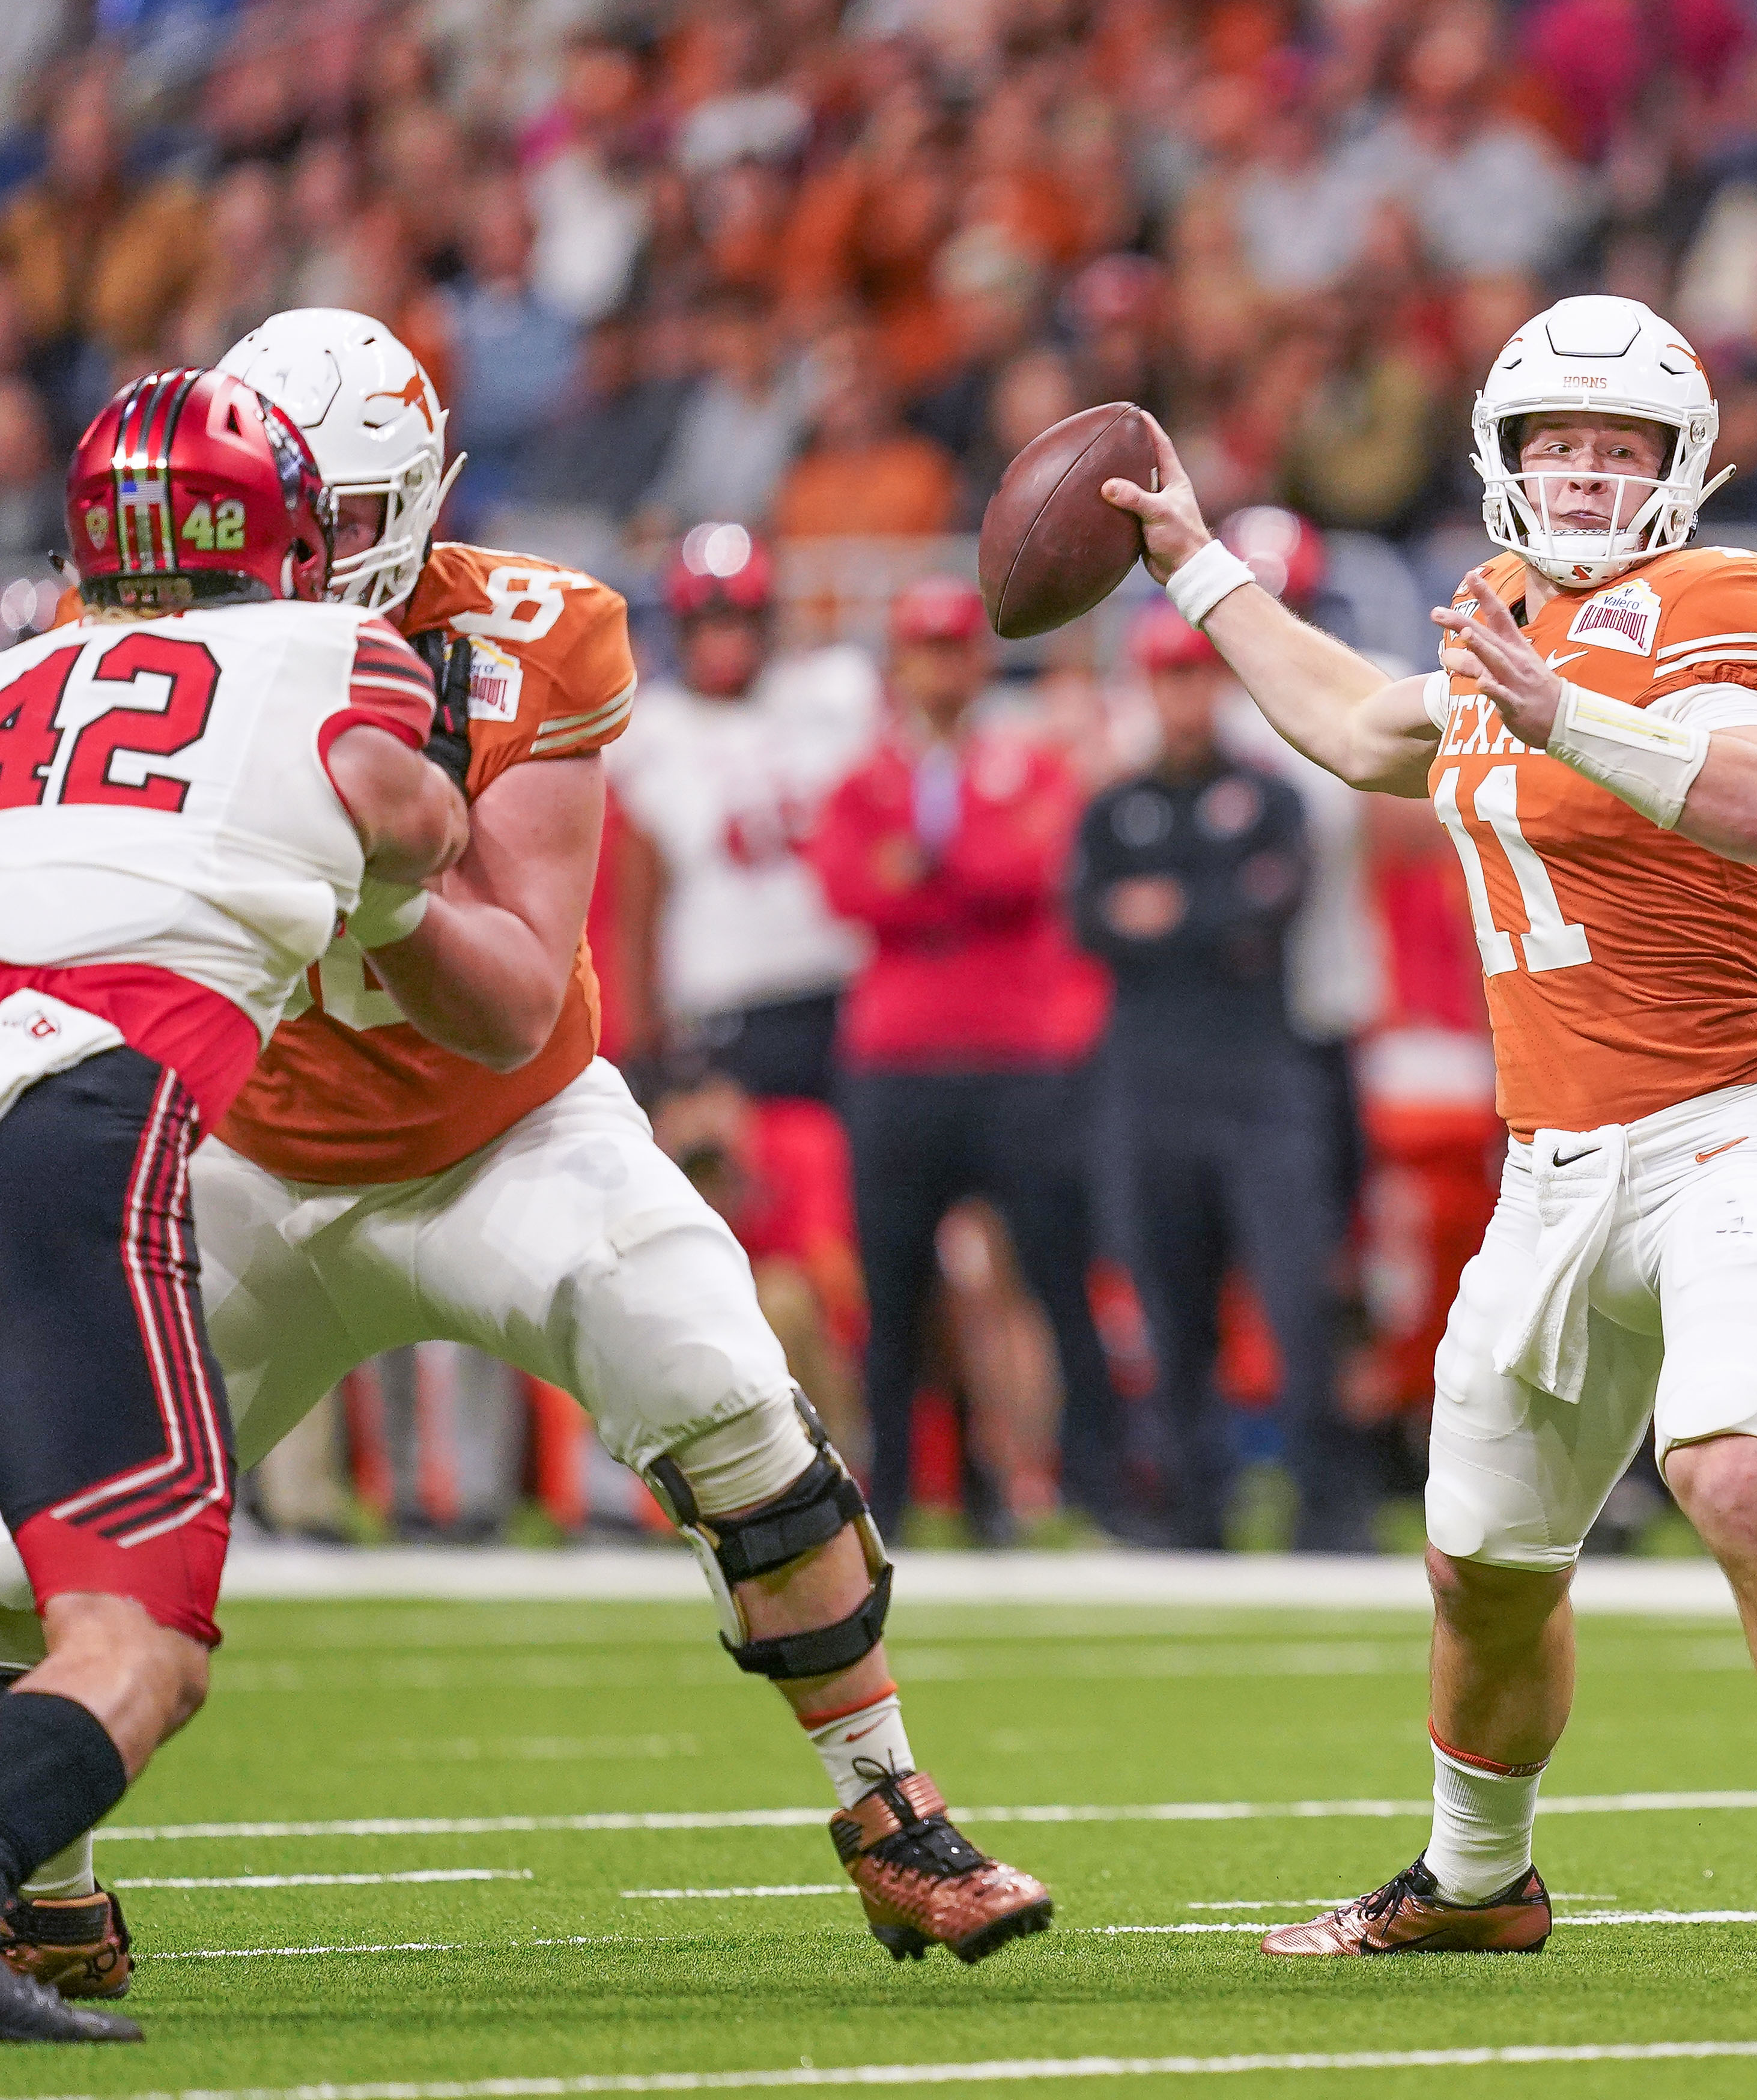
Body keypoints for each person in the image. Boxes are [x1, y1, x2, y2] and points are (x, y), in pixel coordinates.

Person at [0, 312, 1051, 2000]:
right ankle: (45, 1880)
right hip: (243, 1148)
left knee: (742, 1414)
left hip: (507, 1138)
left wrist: (380, 874)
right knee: (31, 1544)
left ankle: (885, 1801)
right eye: (282, 506)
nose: (308, 553)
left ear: (417, 502)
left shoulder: (526, 632)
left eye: (340, 512)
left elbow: (503, 1005)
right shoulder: (116, 630)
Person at [1100, 294, 1757, 1973]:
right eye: (1556, 442)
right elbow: (1362, 727)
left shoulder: (1720, 596)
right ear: (1504, 460)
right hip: (1547, 1169)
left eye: (1617, 446)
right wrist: (1200, 568)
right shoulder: (1492, 612)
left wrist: (1561, 713)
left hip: (1725, 1135)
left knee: (1726, 1469)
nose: (1582, 472)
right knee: (1481, 1566)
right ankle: (1476, 1878)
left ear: (1676, 467)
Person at [0, 366, 467, 2044]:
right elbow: (414, 841)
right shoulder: (340, 652)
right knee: (138, 1642)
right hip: (72, 1105)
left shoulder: (22, 659)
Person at [804, 576, 1121, 1543]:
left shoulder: (1016, 767)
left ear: (978, 663)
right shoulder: (867, 781)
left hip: (1011, 1058)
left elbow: (1034, 864)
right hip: (901, 1062)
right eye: (925, 649)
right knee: (893, 1292)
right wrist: (962, 871)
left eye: (956, 648)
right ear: (900, 665)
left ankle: (1099, 1488)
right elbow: (848, 888)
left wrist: (932, 868)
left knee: (1058, 1279)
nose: (944, 666)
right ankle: (896, 1498)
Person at [1073, 609, 1364, 1552]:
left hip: (1258, 1082)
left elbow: (1268, 907)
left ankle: (1325, 1499)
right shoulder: (1113, 806)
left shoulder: (1269, 796)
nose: (1185, 696)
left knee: (1293, 1297)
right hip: (1151, 1085)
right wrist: (1208, 913)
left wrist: (1165, 912)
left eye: (1197, 676)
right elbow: (1088, 921)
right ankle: (1194, 1504)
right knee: (1169, 1300)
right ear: (1145, 687)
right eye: (1168, 677)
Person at [606, 524, 876, 1104]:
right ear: (681, 630)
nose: (724, 640)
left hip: (835, 978)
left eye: (738, 619)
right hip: (723, 992)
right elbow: (643, 888)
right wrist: (644, 1018)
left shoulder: (830, 694)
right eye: (708, 623)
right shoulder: (655, 729)